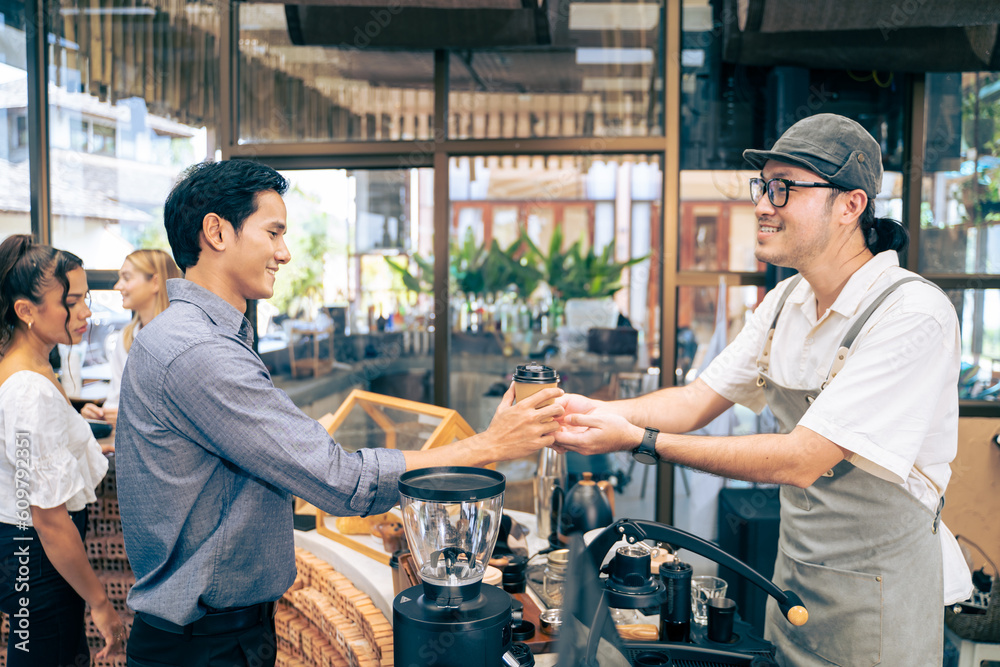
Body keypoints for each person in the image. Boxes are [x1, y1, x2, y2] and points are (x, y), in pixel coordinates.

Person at [553, 114, 972, 666]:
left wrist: (639, 440)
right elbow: (696, 399)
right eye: (763, 187)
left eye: (784, 188)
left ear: (851, 206)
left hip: (881, 602)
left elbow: (804, 458)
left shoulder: (911, 314)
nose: (763, 205)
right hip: (793, 587)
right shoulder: (785, 303)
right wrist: (586, 412)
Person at [115, 159, 564, 667]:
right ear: (217, 231)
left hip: (213, 635)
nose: (284, 253)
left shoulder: (188, 337)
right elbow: (341, 481)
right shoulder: (198, 351)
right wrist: (492, 445)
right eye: (273, 231)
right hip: (204, 646)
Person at [0, 235, 126, 665]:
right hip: (37, 561)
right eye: (70, 301)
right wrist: (100, 602)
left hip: (33, 560)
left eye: (85, 297)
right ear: (26, 311)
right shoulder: (28, 390)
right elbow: (49, 520)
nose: (86, 311)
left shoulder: (35, 367)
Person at [81, 249, 182, 426]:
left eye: (126, 278)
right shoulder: (126, 337)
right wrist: (100, 414)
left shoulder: (181, 339)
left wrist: (128, 415)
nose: (117, 286)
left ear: (155, 282)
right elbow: (116, 398)